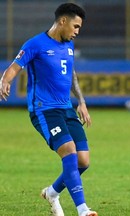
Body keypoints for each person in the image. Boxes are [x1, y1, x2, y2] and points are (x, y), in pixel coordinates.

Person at [0, 3, 98, 216]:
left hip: (66, 109)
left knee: (83, 161)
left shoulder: (68, 45)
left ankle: (52, 192)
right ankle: (82, 209)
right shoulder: (36, 44)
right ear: (62, 21)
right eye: (75, 26)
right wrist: (5, 81)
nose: (77, 32)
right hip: (44, 110)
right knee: (70, 152)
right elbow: (13, 68)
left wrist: (81, 101)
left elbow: (71, 74)